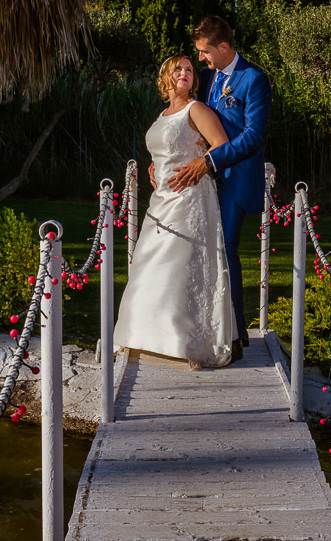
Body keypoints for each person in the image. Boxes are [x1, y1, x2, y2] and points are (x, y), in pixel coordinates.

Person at [113, 55, 236, 370]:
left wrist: (197, 164)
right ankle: (143, 335)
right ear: (165, 78)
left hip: (190, 195)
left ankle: (185, 341)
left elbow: (221, 145)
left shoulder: (197, 109)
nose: (185, 73)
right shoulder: (163, 113)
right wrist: (155, 164)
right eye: (178, 69)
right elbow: (166, 145)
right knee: (150, 262)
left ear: (194, 80)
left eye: (190, 70)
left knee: (183, 265)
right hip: (161, 198)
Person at [167, 16, 272, 361]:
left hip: (234, 179)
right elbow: (188, 119)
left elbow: (253, 137)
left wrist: (209, 163)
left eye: (205, 51)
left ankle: (236, 336)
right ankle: (207, 329)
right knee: (202, 253)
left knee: (224, 251)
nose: (201, 59)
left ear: (224, 47)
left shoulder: (254, 80)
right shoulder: (209, 78)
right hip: (202, 186)